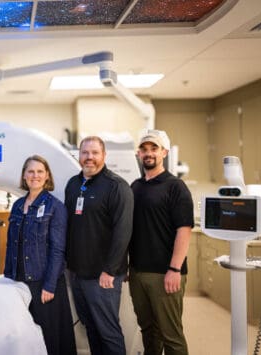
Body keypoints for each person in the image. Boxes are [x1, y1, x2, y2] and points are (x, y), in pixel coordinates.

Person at [65, 136, 133, 355]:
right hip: (78, 273)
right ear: (79, 155)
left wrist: (109, 270)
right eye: (85, 153)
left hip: (103, 276)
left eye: (95, 153)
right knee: (91, 327)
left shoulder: (117, 187)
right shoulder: (73, 184)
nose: (89, 158)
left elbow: (123, 233)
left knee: (108, 331)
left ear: (104, 156)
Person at [129, 130, 194, 355]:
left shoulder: (175, 187)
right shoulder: (135, 187)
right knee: (148, 330)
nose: (149, 154)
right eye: (144, 149)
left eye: (154, 149)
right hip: (138, 273)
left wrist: (175, 268)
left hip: (165, 274)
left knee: (171, 335)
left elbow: (184, 230)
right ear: (139, 154)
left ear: (164, 152)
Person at [4, 155, 77, 355]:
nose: (35, 176)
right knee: (25, 338)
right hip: (19, 281)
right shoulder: (18, 205)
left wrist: (49, 285)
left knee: (49, 338)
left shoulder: (55, 206)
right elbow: (12, 245)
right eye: (30, 171)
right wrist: (8, 278)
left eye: (39, 172)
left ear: (47, 177)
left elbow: (57, 249)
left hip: (43, 282)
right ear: (24, 176)